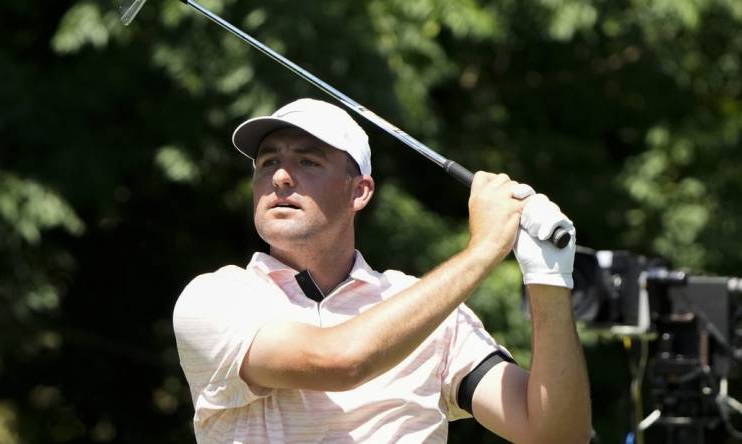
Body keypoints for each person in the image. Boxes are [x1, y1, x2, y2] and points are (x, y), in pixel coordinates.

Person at [173, 98, 591, 443]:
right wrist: (483, 250)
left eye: (308, 162)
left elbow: (555, 436)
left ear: (359, 192)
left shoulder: (428, 311)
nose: (280, 177)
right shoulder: (217, 297)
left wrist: (548, 279)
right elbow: (340, 361)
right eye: (267, 163)